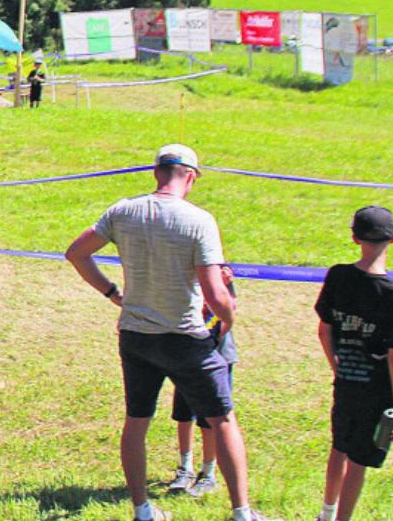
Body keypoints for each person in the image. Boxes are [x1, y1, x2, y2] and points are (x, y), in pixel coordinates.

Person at [64, 144, 279, 521]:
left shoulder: (122, 210)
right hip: (185, 339)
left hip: (135, 335)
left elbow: (77, 253)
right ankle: (242, 513)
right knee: (223, 420)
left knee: (137, 422)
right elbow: (215, 294)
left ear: (156, 173)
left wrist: (113, 293)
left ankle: (142, 510)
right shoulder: (200, 221)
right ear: (191, 177)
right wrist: (230, 315)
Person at [314, 207, 393, 521]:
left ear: (354, 237)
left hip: (346, 382)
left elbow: (324, 329)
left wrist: (338, 368)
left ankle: (327, 513)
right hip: (377, 392)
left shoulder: (338, 276)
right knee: (358, 460)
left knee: (339, 447)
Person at [167, 265, 238, 499]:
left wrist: (214, 340)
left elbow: (230, 311)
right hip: (186, 352)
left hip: (217, 354)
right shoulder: (184, 268)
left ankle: (208, 472)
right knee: (184, 414)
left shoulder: (221, 270)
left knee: (212, 419)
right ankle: (184, 468)